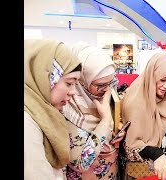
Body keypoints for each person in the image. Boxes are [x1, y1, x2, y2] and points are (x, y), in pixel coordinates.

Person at [62, 42, 125, 179]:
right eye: (100, 85)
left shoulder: (107, 95)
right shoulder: (67, 107)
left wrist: (117, 129)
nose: (108, 89)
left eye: (112, 82)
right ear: (82, 81)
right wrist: (106, 120)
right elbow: (80, 163)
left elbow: (113, 125)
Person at [121, 50, 166, 180]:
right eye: (163, 79)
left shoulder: (164, 98)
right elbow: (131, 147)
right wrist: (156, 153)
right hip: (136, 168)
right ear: (152, 75)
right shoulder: (137, 102)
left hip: (155, 164)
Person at [24, 39, 82, 179]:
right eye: (69, 83)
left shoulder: (43, 111)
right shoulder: (27, 123)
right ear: (46, 77)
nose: (73, 92)